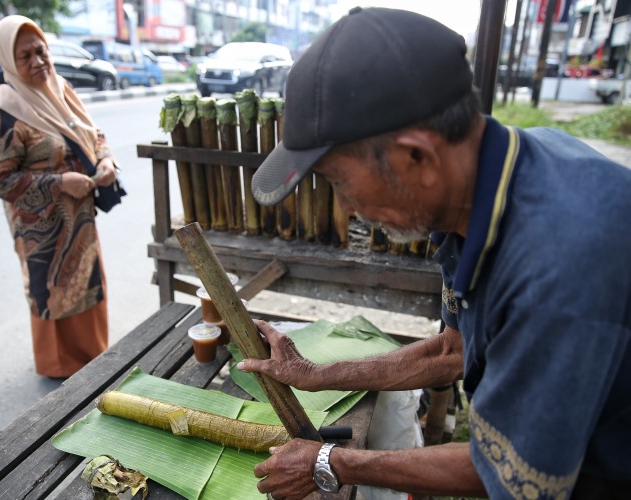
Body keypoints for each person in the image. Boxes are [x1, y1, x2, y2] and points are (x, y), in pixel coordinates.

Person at [238, 6, 631, 499]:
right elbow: (453, 350)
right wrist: (316, 375)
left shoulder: (560, 265)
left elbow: (508, 472)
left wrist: (329, 462)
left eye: (339, 180)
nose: (346, 207)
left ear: (416, 157)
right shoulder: (486, 183)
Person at [0, 15, 119, 378]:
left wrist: (106, 159)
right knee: (52, 289)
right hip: (41, 228)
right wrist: (59, 183)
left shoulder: (60, 88)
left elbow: (93, 132)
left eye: (41, 51)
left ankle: (92, 355)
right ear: (8, 59)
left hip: (80, 217)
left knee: (86, 279)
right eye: (25, 56)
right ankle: (59, 367)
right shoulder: (2, 110)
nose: (38, 61)